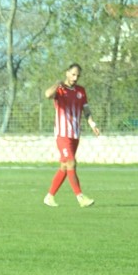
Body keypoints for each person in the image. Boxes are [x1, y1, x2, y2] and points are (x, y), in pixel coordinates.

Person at [43, 63, 100, 208]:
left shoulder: (81, 91)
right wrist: (58, 83)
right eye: (73, 74)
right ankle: (80, 197)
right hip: (62, 134)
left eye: (77, 76)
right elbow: (47, 94)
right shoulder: (60, 89)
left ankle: (49, 197)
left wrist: (92, 124)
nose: (75, 78)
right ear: (67, 73)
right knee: (71, 162)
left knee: (64, 166)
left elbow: (86, 110)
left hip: (75, 134)